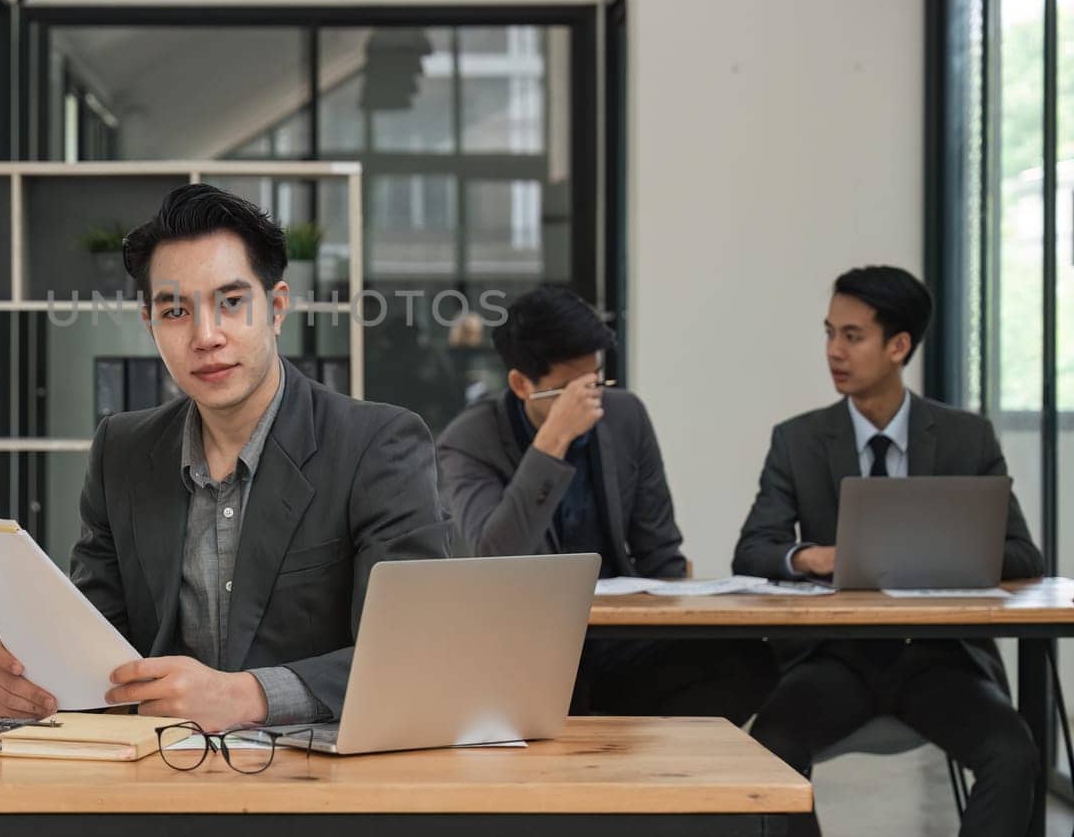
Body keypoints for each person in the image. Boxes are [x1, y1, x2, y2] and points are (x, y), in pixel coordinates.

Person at [0, 184, 449, 730]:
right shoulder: (122, 451)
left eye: (230, 303)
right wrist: (30, 679)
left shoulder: (377, 444)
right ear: (150, 325)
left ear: (275, 309)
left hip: (323, 784)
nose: (205, 336)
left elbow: (411, 651)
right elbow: (95, 638)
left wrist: (249, 697)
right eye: (175, 311)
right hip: (155, 776)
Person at [735, 265, 1042, 837]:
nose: (834, 351)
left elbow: (1025, 555)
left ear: (898, 345)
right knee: (770, 747)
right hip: (837, 657)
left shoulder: (964, 438)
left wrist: (947, 554)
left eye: (852, 336)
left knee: (1014, 752)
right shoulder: (798, 439)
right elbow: (755, 549)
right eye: (829, 333)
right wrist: (812, 557)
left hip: (939, 657)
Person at [437, 285, 775, 724]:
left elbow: (659, 551)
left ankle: (643, 774)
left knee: (747, 663)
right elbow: (496, 556)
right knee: (558, 694)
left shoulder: (625, 416)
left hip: (619, 635)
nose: (589, 403)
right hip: (528, 642)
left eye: (595, 382)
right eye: (569, 391)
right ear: (521, 384)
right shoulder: (468, 443)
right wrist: (552, 442)